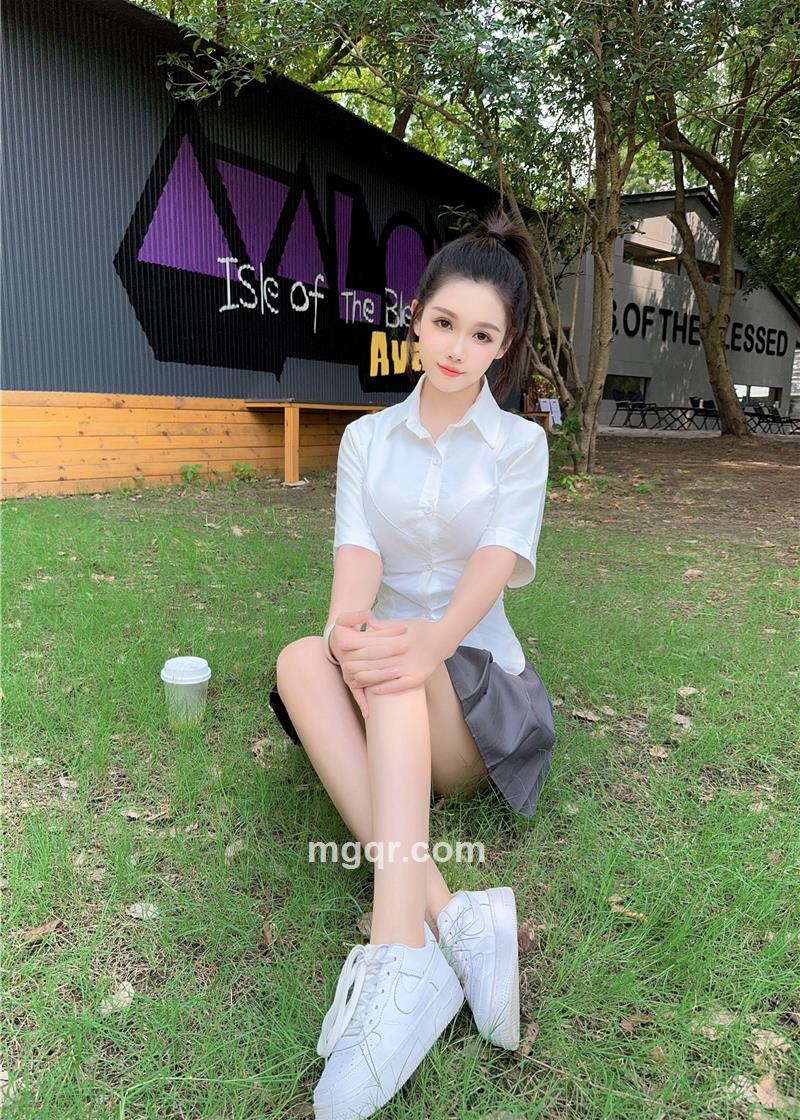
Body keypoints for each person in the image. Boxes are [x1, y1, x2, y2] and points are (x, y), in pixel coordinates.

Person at [272, 205, 556, 1120]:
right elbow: (355, 568)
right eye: (444, 323)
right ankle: (454, 917)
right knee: (302, 658)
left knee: (394, 655)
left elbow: (494, 564)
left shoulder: (520, 446)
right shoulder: (366, 441)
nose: (458, 349)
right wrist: (342, 632)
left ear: (503, 349)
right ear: (416, 318)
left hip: (477, 698)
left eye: (483, 336)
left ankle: (399, 951)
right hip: (392, 687)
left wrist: (419, 643)